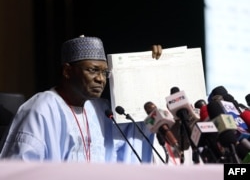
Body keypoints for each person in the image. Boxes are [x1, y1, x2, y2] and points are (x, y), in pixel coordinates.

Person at [0, 35, 162, 163]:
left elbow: (139, 131)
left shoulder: (102, 110)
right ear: (67, 71)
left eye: (104, 72)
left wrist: (147, 67)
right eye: (93, 70)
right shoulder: (42, 109)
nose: (101, 79)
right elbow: (22, 167)